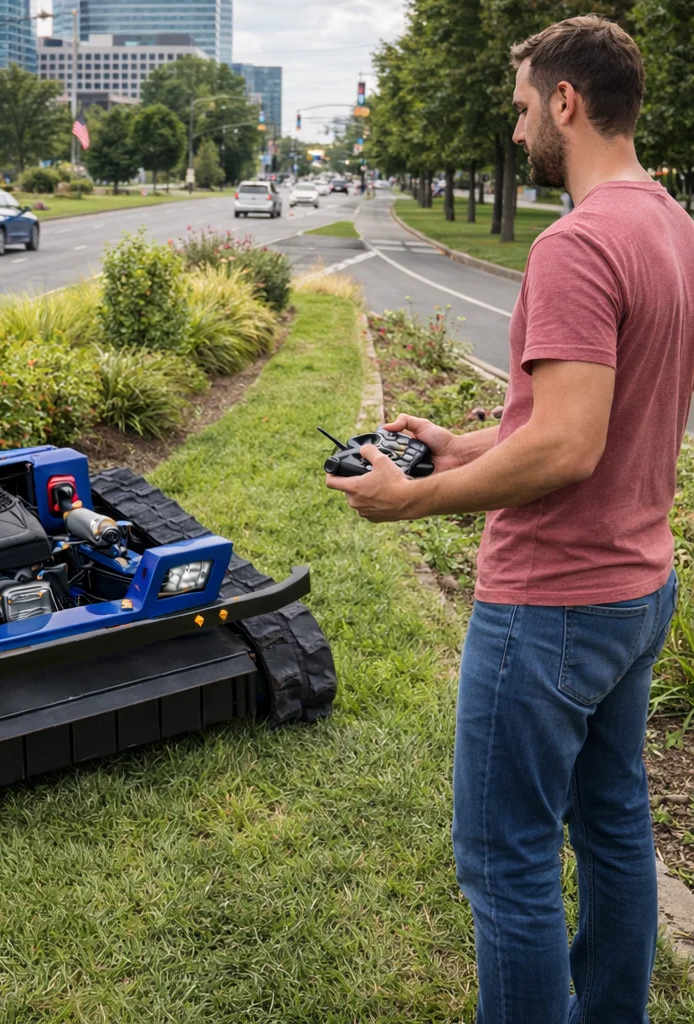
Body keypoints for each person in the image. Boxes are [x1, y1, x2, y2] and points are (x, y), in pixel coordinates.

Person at [327, 16, 694, 1024]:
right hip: (637, 588)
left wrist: (413, 497)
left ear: (566, 103)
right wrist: (462, 443)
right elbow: (586, 416)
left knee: (507, 858)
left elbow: (569, 448)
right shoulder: (669, 223)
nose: (518, 119)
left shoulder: (577, 243)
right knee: (615, 819)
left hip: (552, 605)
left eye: (525, 103)